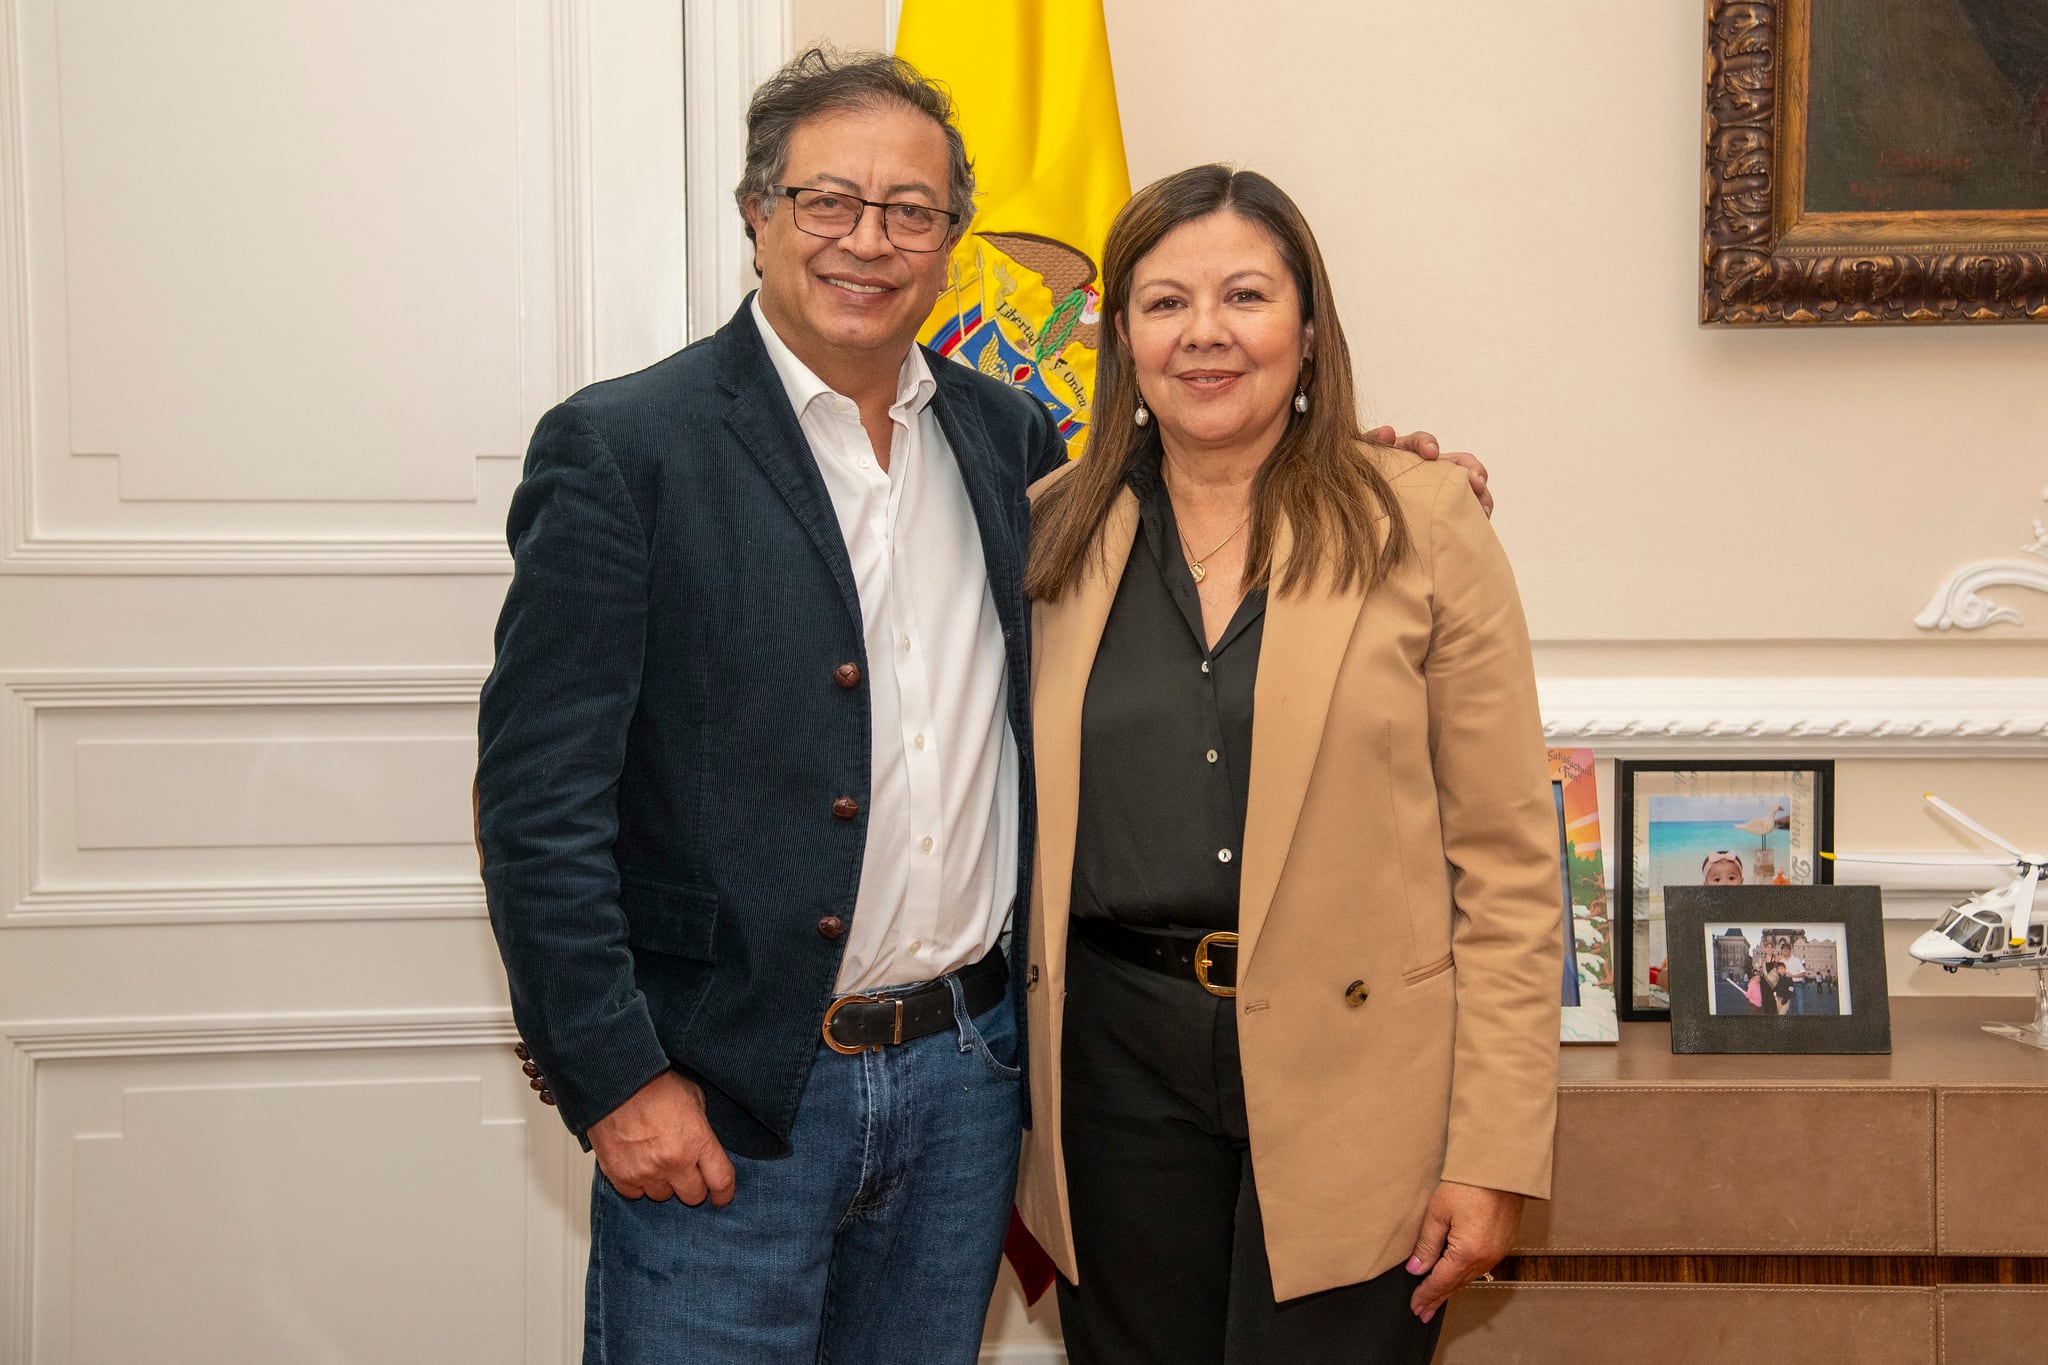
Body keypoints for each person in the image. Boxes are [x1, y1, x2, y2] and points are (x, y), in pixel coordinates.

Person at [475, 49, 1486, 1365]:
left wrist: (1373, 462)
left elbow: (1212, 504)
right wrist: (616, 1074)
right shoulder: (627, 450)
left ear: (954, 240)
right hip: (735, 1102)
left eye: (912, 211)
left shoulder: (1014, 447)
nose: (868, 240)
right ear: (756, 214)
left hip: (969, 1087)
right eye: (829, 200)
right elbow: (538, 803)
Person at [1015, 165, 1561, 1364]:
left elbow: (1509, 868)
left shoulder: (1418, 518)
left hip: (1360, 1084)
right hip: (1111, 1080)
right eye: (1163, 303)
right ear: (1121, 339)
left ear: (1307, 331)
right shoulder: (1049, 528)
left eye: (1244, 297)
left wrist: (1493, 1151)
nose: (1203, 334)